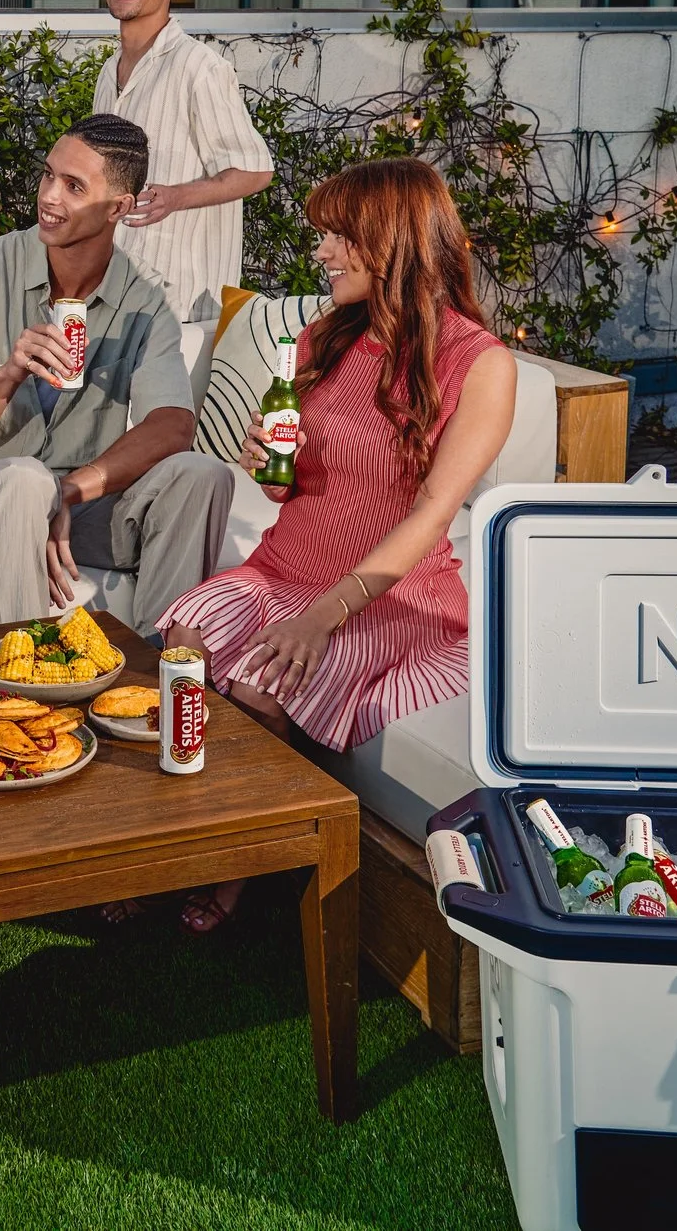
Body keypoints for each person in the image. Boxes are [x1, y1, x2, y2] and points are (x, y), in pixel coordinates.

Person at [159, 158, 516, 933]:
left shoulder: (479, 363)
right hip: (284, 565)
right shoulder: (325, 336)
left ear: (389, 241)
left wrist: (323, 615)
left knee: (259, 680)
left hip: (392, 595)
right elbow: (298, 484)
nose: (320, 253)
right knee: (182, 639)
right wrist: (266, 462)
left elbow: (430, 513)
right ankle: (173, 836)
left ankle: (241, 867)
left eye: (336, 237)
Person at [0, 114, 233, 635]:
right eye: (48, 175)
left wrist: (72, 491)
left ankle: (158, 679)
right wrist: (7, 375)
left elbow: (172, 427)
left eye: (74, 186)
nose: (49, 196)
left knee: (203, 476)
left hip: (67, 494)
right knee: (25, 481)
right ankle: (6, 695)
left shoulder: (144, 299)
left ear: (118, 207)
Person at [90, 0, 275, 324]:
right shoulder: (108, 72)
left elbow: (255, 171)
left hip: (182, 311)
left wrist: (175, 197)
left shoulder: (201, 69)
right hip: (116, 297)